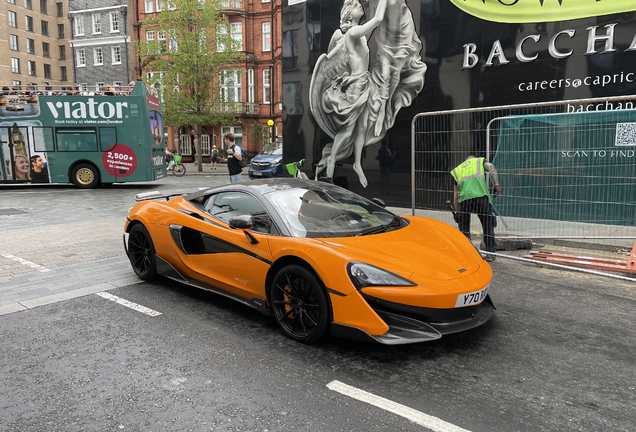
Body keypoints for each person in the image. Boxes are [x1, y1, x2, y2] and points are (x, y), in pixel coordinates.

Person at [309, 0, 426, 187]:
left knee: (362, 127)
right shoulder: (354, 33)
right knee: (348, 131)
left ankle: (357, 163)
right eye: (355, 4)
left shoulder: (357, 33)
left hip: (365, 83)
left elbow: (370, 30)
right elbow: (378, 19)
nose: (359, 5)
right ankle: (331, 161)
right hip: (357, 85)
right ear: (349, 13)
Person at [451, 155, 500, 262]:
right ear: (473, 158)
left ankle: (467, 254)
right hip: (481, 196)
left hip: (464, 199)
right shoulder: (479, 161)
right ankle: (490, 253)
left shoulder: (457, 170)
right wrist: (496, 183)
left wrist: (457, 211)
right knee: (487, 225)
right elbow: (491, 166)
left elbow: (455, 195)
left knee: (464, 228)